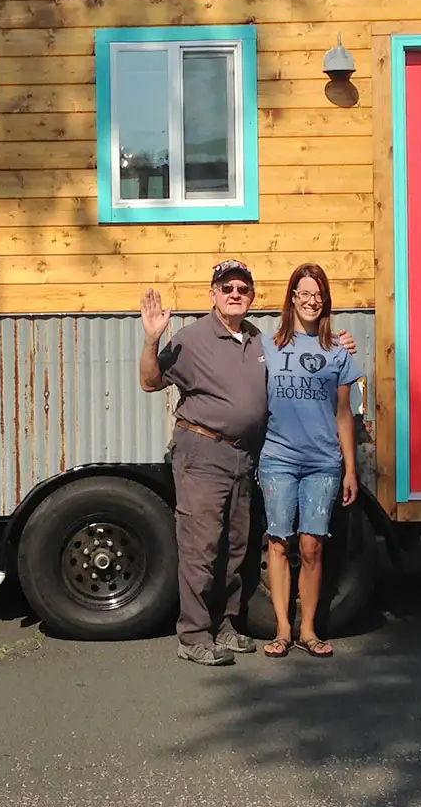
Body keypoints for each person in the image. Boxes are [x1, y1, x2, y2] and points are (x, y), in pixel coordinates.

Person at [139, 260, 268, 667]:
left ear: (251, 296)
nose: (234, 294)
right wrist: (151, 341)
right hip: (202, 453)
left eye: (242, 289)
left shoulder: (257, 338)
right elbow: (150, 381)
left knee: (235, 546)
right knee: (201, 547)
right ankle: (193, 635)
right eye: (226, 287)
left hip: (242, 455)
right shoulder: (193, 338)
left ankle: (224, 625)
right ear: (212, 294)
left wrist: (337, 343)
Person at [255, 263, 363, 660]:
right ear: (291, 298)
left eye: (317, 295)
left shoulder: (338, 351)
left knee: (313, 545)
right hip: (278, 458)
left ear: (325, 301)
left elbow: (344, 415)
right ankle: (283, 629)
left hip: (323, 462)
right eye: (303, 293)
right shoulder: (267, 346)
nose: (310, 301)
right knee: (280, 542)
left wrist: (350, 468)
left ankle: (309, 628)